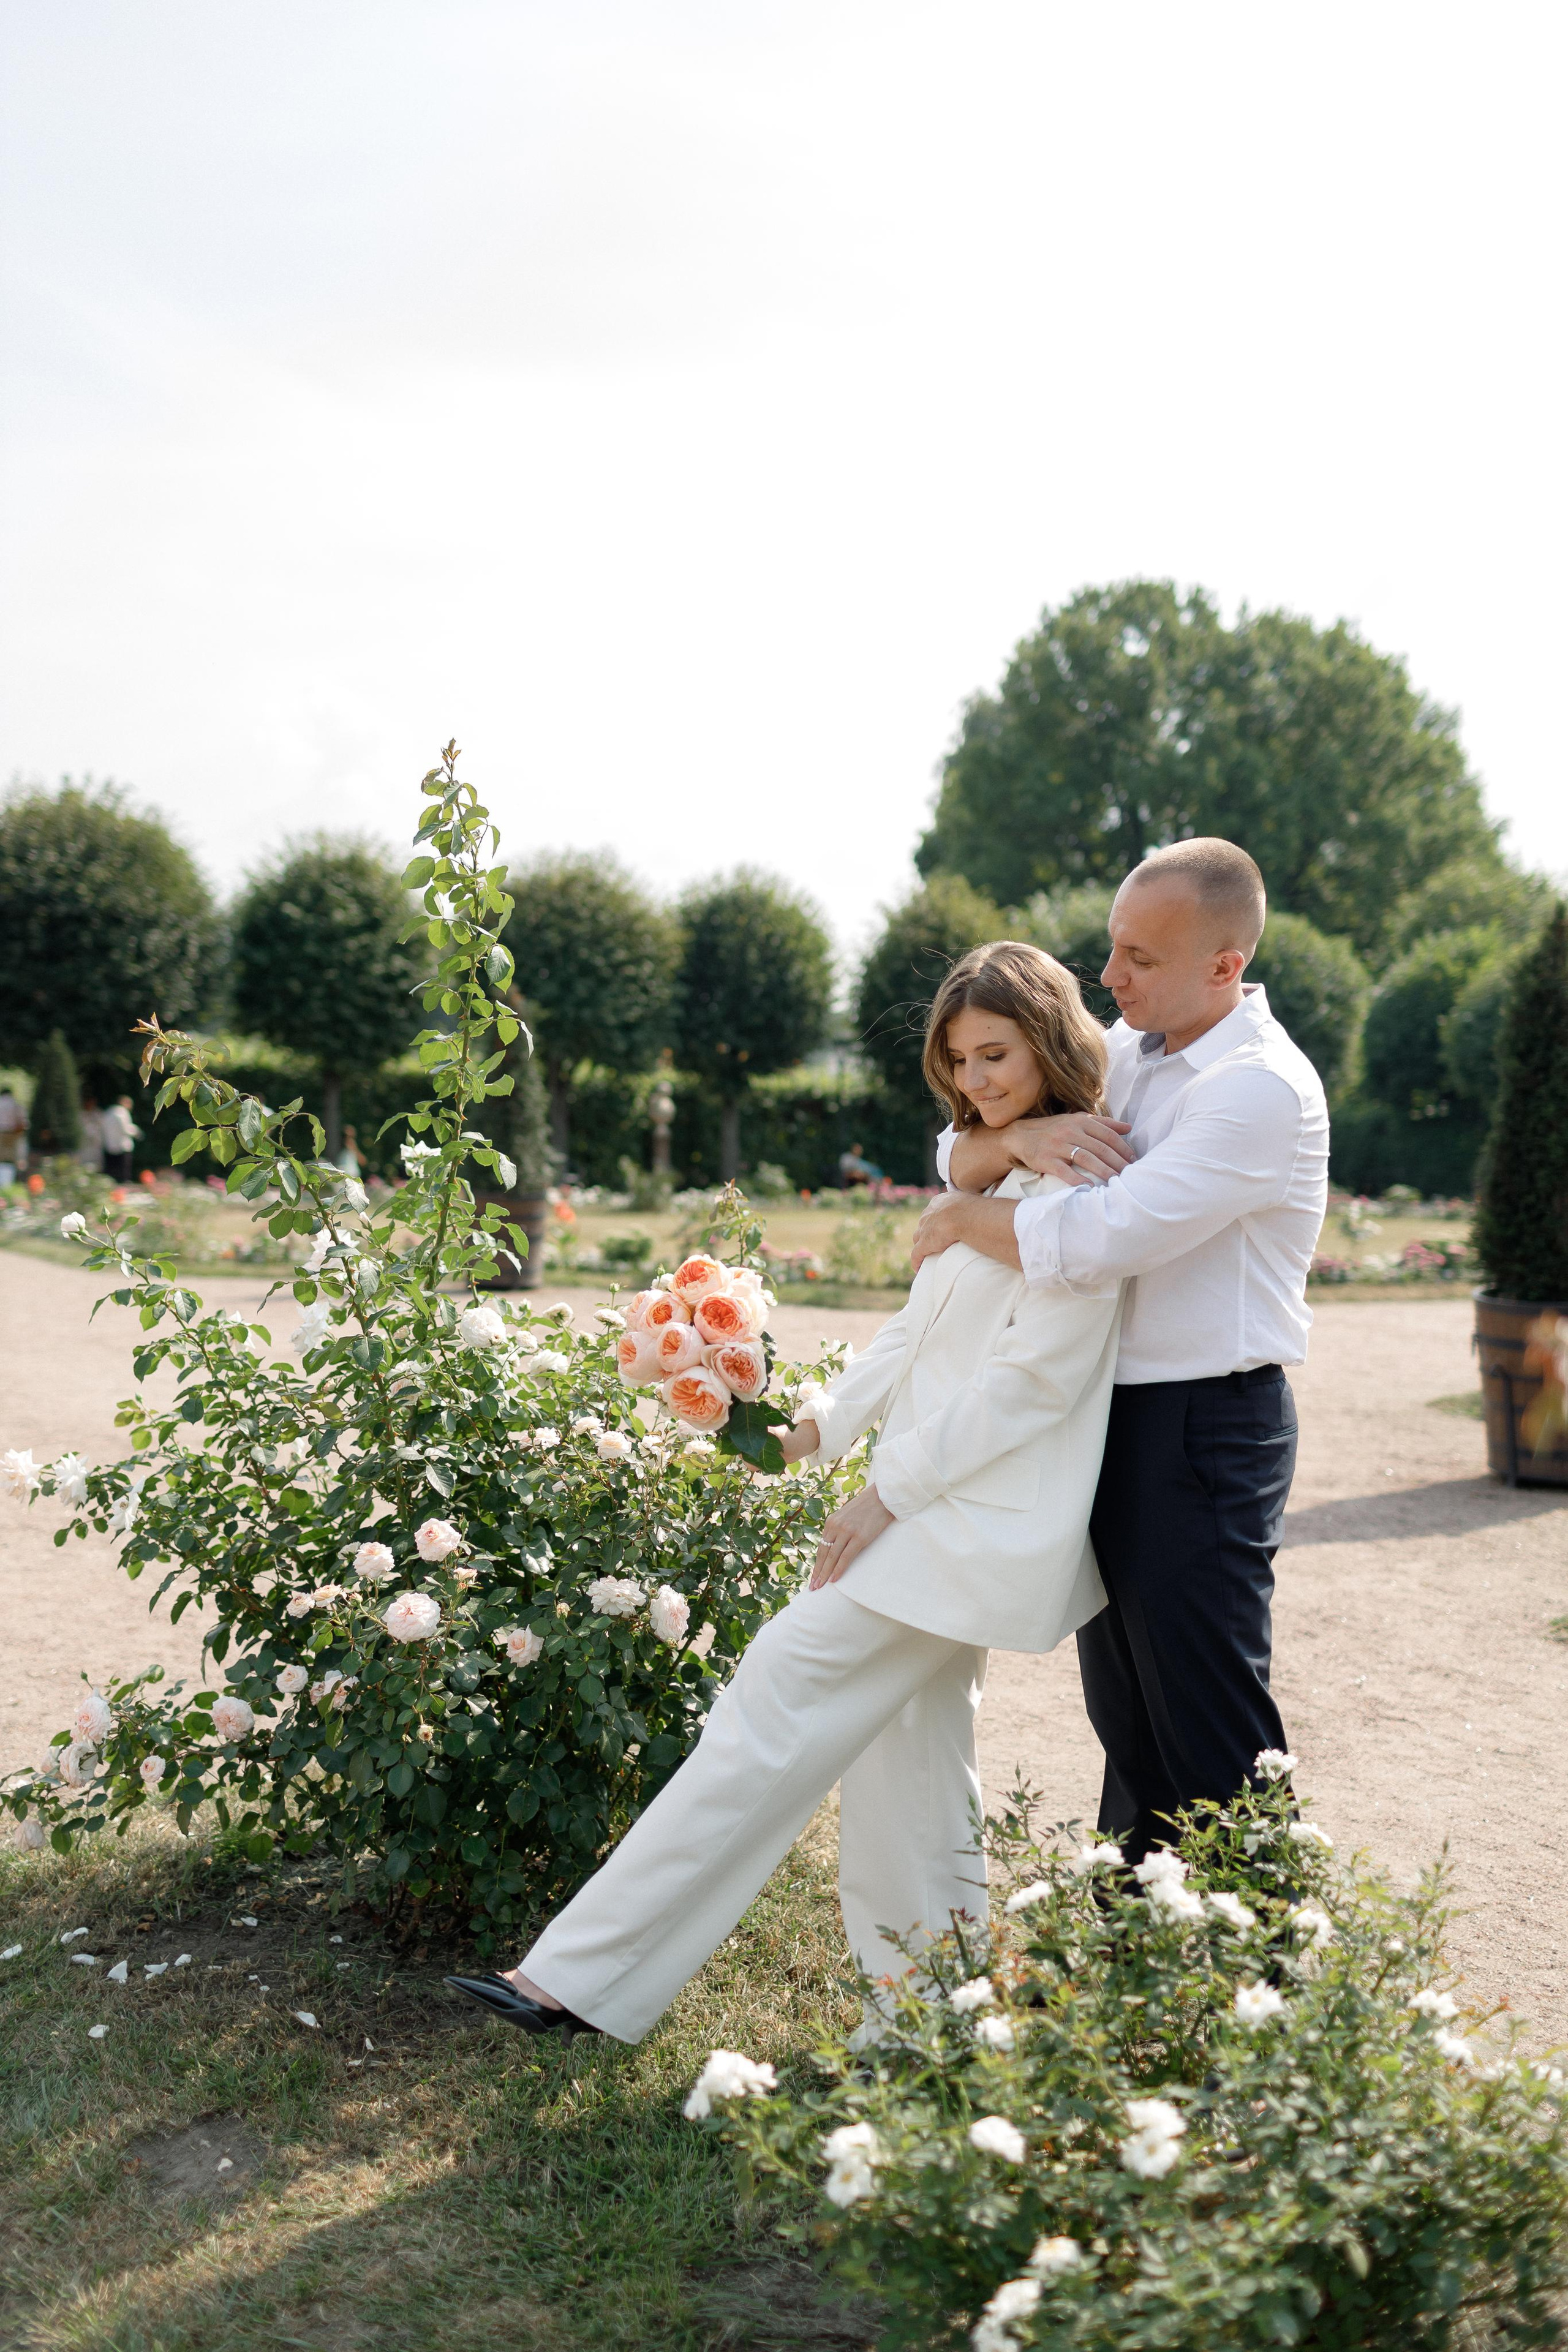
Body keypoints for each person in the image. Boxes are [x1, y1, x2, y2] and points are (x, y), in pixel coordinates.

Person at [445, 941, 1124, 2042]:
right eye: (960, 1064)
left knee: (772, 1696)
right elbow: (918, 1330)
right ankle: (929, 2027)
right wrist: (816, 1429)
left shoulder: (1092, 1189)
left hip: (973, 1524)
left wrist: (884, 1493)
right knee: (914, 1771)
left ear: (1050, 1038)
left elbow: (1032, 1384)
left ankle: (575, 1981)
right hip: (941, 1513)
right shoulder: (995, 1168)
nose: (979, 1081)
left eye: (996, 1054)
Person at [911, 839, 1329, 1862]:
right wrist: (1007, 1148)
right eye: (1112, 947)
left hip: (1206, 1426)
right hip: (1113, 1415)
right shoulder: (1132, 1051)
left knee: (1210, 1724)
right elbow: (966, 1135)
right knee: (1131, 1722)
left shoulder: (1257, 1089)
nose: (1110, 977)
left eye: (1138, 956)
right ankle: (1132, 1961)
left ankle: (1271, 1984)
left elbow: (1094, 1243)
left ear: (1224, 966)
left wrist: (962, 1221)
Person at [100, 1095, 140, 1183]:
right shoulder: (122, 1113)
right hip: (122, 1145)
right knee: (124, 1168)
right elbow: (125, 1129)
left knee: (112, 1168)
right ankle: (124, 1183)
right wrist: (137, 1132)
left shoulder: (109, 1112)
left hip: (110, 1144)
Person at [0, 1085, 24, 1185]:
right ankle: (6, 1184)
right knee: (10, 1159)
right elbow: (23, 1123)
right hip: (12, 1133)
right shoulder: (16, 1104)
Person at [77, 1095, 105, 1172]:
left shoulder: (98, 1113)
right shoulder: (80, 1114)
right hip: (84, 1142)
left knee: (96, 1160)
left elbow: (102, 1126)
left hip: (96, 1142)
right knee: (84, 1159)